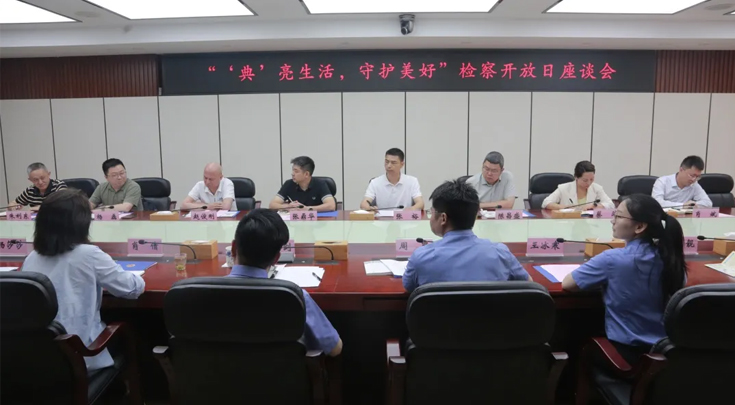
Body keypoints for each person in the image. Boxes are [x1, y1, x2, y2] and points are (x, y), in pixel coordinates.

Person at [21, 189, 145, 371]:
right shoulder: (89, 254)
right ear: (81, 223)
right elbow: (133, 289)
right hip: (80, 353)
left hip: (39, 357)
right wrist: (135, 276)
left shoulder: (32, 257)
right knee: (136, 330)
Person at [562, 194, 687, 366]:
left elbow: (568, 284)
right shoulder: (672, 260)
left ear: (639, 226)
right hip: (667, 354)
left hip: (626, 355)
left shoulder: (612, 259)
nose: (612, 221)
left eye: (618, 216)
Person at [228, 209, 343, 356]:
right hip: (276, 371)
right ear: (276, 258)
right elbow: (335, 348)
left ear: (233, 248)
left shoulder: (202, 292)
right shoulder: (294, 297)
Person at [403, 180, 531, 293]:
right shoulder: (500, 253)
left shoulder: (421, 257)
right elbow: (530, 287)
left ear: (443, 218)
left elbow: (409, 287)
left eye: (432, 212)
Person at [359, 148, 424, 211]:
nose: (389, 166)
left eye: (393, 163)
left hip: (404, 217)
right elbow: (364, 204)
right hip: (381, 217)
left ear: (402, 164)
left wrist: (412, 209)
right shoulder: (375, 182)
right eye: (387, 162)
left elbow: (420, 203)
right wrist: (369, 208)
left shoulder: (412, 181)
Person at [269, 156, 336, 212]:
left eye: (296, 171)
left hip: (318, 221)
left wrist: (308, 209)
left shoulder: (320, 184)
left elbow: (331, 205)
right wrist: (288, 206)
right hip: (294, 222)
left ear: (306, 174)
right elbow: (272, 205)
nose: (292, 174)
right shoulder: (289, 184)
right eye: (292, 170)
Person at [542, 161, 615, 210]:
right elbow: (546, 203)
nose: (589, 183)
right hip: (568, 224)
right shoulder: (564, 188)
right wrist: (564, 207)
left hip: (590, 224)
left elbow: (611, 205)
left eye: (591, 179)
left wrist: (596, 206)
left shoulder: (597, 188)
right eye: (585, 180)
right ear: (576, 177)